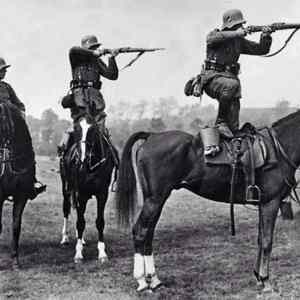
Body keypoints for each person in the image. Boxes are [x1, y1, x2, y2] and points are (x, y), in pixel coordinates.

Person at [199, 9, 273, 155]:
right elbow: (210, 39)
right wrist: (240, 33)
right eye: (238, 25)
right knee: (232, 85)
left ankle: (226, 151)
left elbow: (261, 50)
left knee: (234, 128)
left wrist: (266, 35)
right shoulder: (216, 36)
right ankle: (220, 122)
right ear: (230, 25)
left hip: (229, 83)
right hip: (212, 79)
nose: (240, 27)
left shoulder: (238, 42)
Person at [60, 35, 119, 163]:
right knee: (74, 133)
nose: (95, 49)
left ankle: (113, 163)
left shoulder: (97, 62)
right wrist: (95, 53)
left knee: (104, 135)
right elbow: (73, 49)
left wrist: (112, 58)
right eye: (92, 48)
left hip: (96, 102)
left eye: (95, 47)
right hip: (79, 102)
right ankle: (64, 159)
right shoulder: (76, 59)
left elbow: (112, 75)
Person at [0, 57, 46, 199]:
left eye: (4, 70)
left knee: (26, 147)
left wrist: (20, 115)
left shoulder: (7, 87)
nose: (4, 72)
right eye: (2, 70)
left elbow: (20, 104)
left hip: (10, 127)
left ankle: (31, 181)